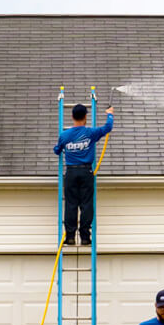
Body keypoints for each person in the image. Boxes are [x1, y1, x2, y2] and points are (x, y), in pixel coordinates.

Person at [52, 104, 115, 246]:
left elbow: (56, 150)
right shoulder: (90, 133)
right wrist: (110, 113)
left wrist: (62, 147)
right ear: (86, 116)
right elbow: (107, 127)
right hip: (86, 172)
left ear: (72, 117)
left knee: (71, 204)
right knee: (86, 204)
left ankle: (70, 237)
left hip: (71, 172)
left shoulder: (64, 135)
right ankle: (85, 237)